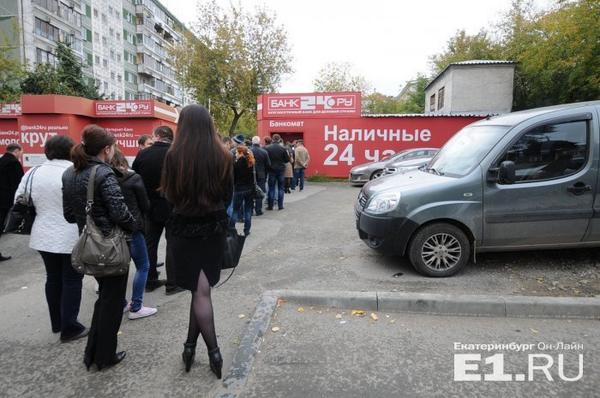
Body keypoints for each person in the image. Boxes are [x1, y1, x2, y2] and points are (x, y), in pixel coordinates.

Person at [161, 104, 232, 377]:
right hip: (212, 230)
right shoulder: (223, 156)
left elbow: (168, 196)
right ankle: (207, 352)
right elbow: (228, 197)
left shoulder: (173, 155)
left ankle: (196, 348)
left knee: (198, 291)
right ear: (209, 124)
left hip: (183, 231)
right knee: (201, 291)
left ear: (183, 125)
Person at [62, 125, 134, 371]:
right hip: (111, 246)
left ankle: (92, 353)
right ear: (107, 149)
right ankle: (104, 356)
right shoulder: (103, 174)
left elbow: (69, 215)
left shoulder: (69, 174)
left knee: (104, 299)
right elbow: (120, 212)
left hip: (90, 246)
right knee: (112, 303)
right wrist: (135, 225)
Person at [14, 136, 87, 342]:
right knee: (72, 279)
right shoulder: (75, 172)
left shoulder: (33, 172)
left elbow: (19, 199)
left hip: (42, 234)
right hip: (71, 233)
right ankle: (70, 326)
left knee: (53, 277)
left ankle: (57, 322)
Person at [132, 126, 183, 295]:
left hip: (149, 206)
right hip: (173, 205)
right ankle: (173, 283)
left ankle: (150, 279)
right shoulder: (177, 154)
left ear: (158, 136)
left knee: (150, 244)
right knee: (173, 243)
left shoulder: (143, 154)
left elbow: (135, 178)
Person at [110, 149, 157, 320]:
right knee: (143, 266)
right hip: (134, 228)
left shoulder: (104, 179)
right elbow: (145, 204)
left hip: (113, 231)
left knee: (119, 268)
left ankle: (121, 303)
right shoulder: (134, 178)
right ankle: (136, 306)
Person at [0, 143, 24, 261]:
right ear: (16, 151)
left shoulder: (1, 161)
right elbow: (18, 183)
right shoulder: (14, 163)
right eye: (21, 152)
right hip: (5, 201)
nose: (21, 155)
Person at [230, 145, 255, 236]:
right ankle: (246, 230)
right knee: (248, 210)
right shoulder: (250, 162)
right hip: (249, 189)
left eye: (236, 152)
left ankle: (231, 228)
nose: (235, 154)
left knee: (235, 210)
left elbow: (233, 177)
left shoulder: (236, 164)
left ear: (240, 153)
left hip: (239, 189)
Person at [265, 134, 289, 210]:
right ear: (279, 139)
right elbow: (287, 160)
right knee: (280, 188)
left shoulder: (267, 148)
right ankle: (280, 205)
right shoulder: (283, 148)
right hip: (281, 170)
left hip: (271, 170)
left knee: (271, 188)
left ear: (272, 139)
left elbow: (266, 160)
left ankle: (270, 206)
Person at [250, 136, 270, 216]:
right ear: (259, 142)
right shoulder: (264, 152)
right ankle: (258, 210)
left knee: (250, 192)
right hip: (261, 175)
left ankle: (250, 210)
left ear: (252, 142)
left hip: (250, 175)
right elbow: (268, 164)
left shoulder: (249, 151)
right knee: (260, 192)